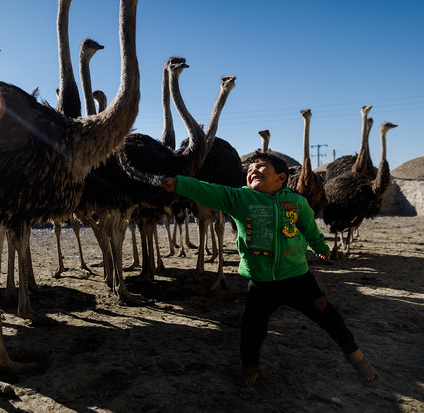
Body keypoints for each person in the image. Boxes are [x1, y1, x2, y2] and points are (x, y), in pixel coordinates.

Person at [160, 151, 379, 387]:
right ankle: (250, 367)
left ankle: (358, 360)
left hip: (299, 279)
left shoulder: (296, 203)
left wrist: (320, 247)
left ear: (281, 177)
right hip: (261, 283)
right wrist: (179, 183)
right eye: (250, 169)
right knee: (252, 330)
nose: (252, 170)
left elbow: (309, 229)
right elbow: (210, 190)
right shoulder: (239, 199)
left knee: (330, 318)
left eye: (261, 166)